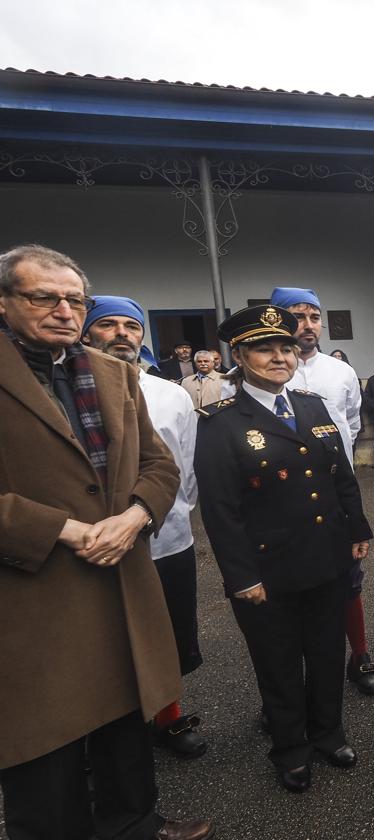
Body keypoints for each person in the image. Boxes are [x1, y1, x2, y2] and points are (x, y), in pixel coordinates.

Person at [0, 244, 211, 840]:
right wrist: (61, 530)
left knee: (124, 722)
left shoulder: (113, 373)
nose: (63, 310)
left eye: (74, 299)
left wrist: (136, 516)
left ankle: (135, 825)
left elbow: (159, 465)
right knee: (46, 743)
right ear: (5, 302)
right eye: (44, 297)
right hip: (34, 587)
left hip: (121, 573)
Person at [194, 305, 372, 793]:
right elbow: (220, 510)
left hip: (327, 557)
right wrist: (240, 576)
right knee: (277, 662)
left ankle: (328, 733)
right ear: (240, 354)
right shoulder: (220, 422)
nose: (279, 357)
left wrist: (357, 530)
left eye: (286, 348)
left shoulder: (312, 406)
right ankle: (291, 747)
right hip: (267, 569)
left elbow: (340, 477)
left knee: (325, 652)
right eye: (264, 348)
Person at [83, 296, 208, 760]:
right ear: (87, 332)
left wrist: (176, 513)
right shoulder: (74, 392)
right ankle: (104, 737)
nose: (121, 334)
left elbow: (188, 466)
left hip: (169, 538)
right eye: (108, 325)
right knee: (104, 643)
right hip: (99, 546)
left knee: (170, 634)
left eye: (131, 326)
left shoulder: (170, 394)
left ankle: (169, 719)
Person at [268, 287, 374, 696]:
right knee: (286, 588)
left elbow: (350, 425)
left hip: (336, 491)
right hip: (279, 499)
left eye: (315, 317)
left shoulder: (340, 373)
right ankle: (288, 679)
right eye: (298, 316)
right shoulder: (261, 372)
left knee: (348, 574)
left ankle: (360, 654)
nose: (309, 325)